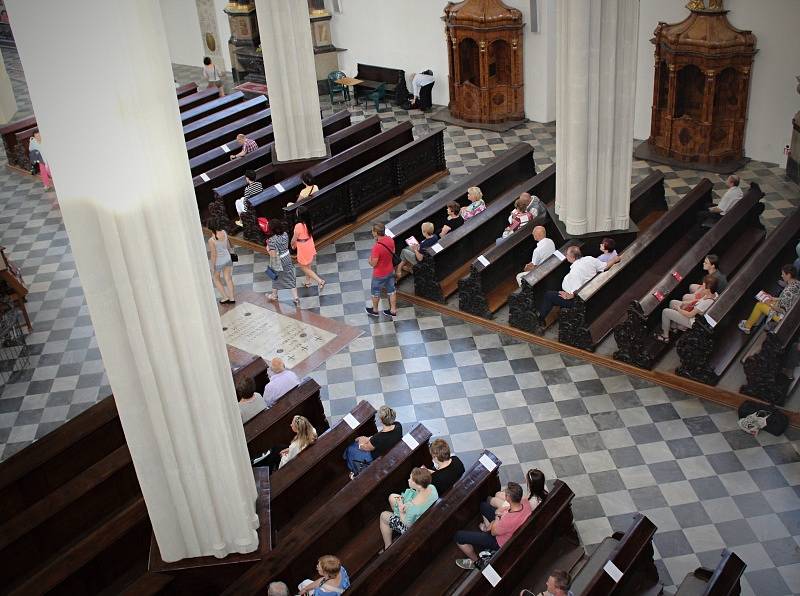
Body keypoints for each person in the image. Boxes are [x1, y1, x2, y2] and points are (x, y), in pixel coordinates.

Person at [455, 482, 532, 569]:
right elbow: (508, 510)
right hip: (506, 526)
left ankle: (477, 562)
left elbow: (493, 532)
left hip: (499, 541)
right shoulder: (525, 503)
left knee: (458, 536)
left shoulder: (507, 520)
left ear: (508, 498)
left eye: (506, 494)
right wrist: (500, 513)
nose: (504, 494)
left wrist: (497, 517)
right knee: (483, 506)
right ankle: (485, 529)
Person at [538, 246, 620, 322]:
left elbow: (577, 292)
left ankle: (540, 320)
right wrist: (614, 260)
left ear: (572, 257)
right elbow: (605, 266)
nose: (566, 256)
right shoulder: (589, 259)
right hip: (594, 293)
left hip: (582, 302)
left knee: (549, 295)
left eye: (567, 255)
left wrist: (569, 295)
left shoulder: (575, 272)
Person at [379, 467, 438, 549]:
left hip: (415, 528)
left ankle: (388, 546)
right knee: (392, 497)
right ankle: (395, 518)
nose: (408, 480)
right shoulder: (432, 487)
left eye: (411, 479)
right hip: (427, 514)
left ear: (418, 485)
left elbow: (407, 524)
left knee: (383, 515)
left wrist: (401, 509)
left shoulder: (412, 505)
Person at [343, 405, 402, 478]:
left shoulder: (378, 438)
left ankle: (355, 471)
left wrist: (361, 439)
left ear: (381, 420)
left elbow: (364, 448)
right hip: (390, 448)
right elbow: (382, 435)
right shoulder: (398, 425)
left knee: (351, 449)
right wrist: (369, 438)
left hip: (376, 455)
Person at [738, 265, 799, 334]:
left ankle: (747, 327)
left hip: (784, 317)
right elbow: (787, 299)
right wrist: (773, 298)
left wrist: (769, 304)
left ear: (789, 275)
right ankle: (753, 320)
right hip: (794, 312)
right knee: (766, 301)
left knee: (759, 305)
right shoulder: (797, 283)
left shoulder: (788, 291)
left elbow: (782, 310)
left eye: (783, 274)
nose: (782, 276)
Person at [657, 275, 719, 342]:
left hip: (692, 321)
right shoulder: (714, 294)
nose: (701, 286)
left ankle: (665, 336)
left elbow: (690, 315)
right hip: (694, 312)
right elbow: (698, 301)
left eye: (703, 286)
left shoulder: (706, 302)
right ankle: (674, 327)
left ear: (708, 289)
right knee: (673, 302)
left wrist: (679, 309)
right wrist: (686, 303)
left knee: (665, 312)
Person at [366, 223, 398, 318]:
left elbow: (374, 264)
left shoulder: (377, 247)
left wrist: (369, 261)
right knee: (392, 291)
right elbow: (393, 252)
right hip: (390, 270)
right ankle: (393, 310)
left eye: (372, 231)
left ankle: (375, 310)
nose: (372, 233)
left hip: (379, 274)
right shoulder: (390, 240)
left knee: (375, 292)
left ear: (376, 233)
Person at [291, 208, 325, 290]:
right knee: (308, 265)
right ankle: (308, 282)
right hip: (309, 243)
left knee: (303, 267)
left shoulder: (298, 225)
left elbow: (294, 239)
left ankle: (320, 281)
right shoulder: (309, 222)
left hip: (303, 247)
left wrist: (292, 244)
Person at [266, 219, 299, 305]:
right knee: (290, 276)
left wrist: (268, 249)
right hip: (287, 258)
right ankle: (296, 298)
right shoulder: (285, 234)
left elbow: (273, 255)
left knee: (275, 277)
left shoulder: (271, 240)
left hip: (278, 261)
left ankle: (274, 295)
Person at [207, 219, 235, 304]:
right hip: (228, 258)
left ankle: (225, 297)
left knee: (216, 278)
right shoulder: (224, 232)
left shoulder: (211, 240)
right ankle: (232, 298)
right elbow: (227, 246)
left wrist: (212, 266)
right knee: (228, 278)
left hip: (219, 261)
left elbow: (213, 255)